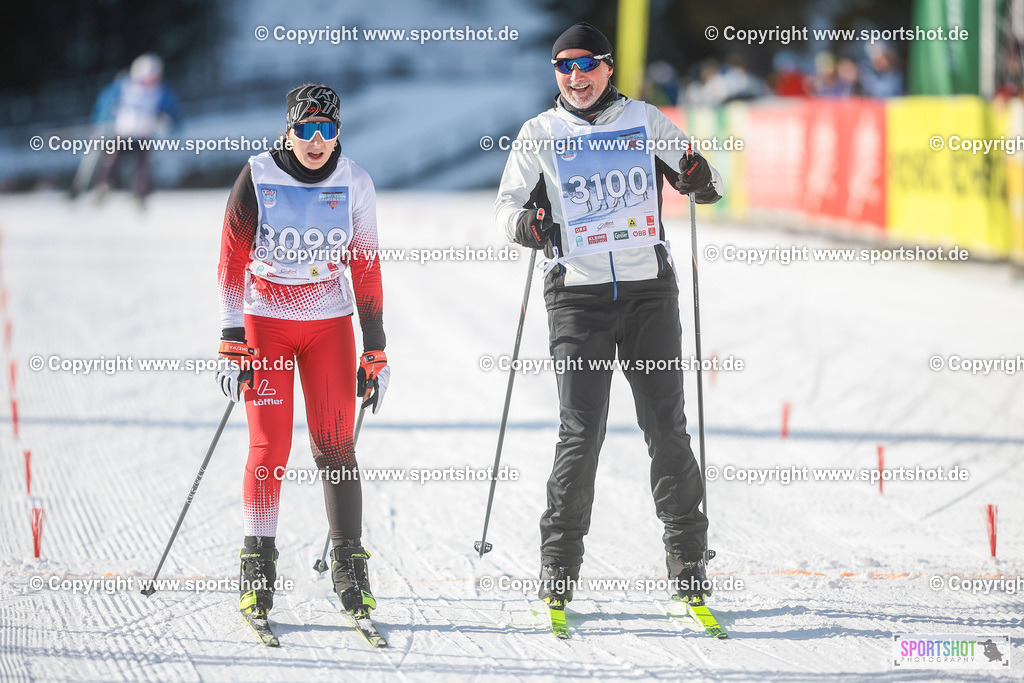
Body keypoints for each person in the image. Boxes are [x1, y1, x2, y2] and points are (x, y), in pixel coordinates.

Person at [494, 23, 724, 608]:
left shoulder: (644, 120)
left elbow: (706, 179)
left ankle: (689, 558)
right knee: (581, 431)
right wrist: (527, 225)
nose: (575, 77)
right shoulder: (539, 133)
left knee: (666, 428)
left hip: (650, 293)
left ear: (608, 68)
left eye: (586, 65)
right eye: (563, 68)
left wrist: (696, 177)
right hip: (578, 298)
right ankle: (559, 565)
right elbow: (505, 209)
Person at [215, 84, 389, 631]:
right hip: (266, 322)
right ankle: (257, 572)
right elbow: (230, 259)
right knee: (270, 445)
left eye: (328, 130)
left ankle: (350, 568)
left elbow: (365, 267)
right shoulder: (258, 175)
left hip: (329, 325)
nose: (317, 142)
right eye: (306, 129)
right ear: (287, 130)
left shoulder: (354, 182)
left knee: (336, 446)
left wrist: (376, 346)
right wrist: (230, 336)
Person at [90, 53, 183, 205]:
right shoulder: (124, 86)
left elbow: (173, 111)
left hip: (143, 135)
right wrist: (102, 121)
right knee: (111, 159)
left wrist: (167, 121)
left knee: (143, 164)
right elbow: (105, 104)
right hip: (122, 132)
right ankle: (103, 186)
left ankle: (140, 192)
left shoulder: (161, 91)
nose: (150, 81)